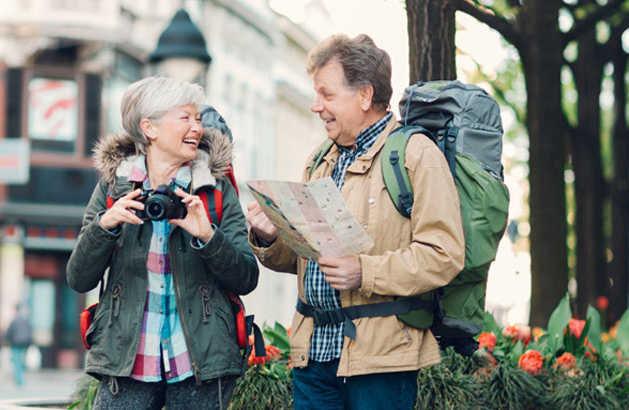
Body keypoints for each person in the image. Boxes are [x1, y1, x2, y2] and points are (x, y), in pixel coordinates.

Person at [245, 34, 465, 410]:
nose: (316, 107)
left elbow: (444, 255)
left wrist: (364, 272)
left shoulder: (415, 155)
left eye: (327, 95)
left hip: (380, 362)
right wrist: (270, 238)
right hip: (314, 356)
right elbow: (307, 257)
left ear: (364, 96)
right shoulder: (320, 159)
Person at [67, 76, 259, 410]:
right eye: (184, 117)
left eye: (197, 118)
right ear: (149, 128)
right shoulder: (114, 188)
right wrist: (106, 225)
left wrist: (207, 237)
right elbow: (78, 277)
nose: (196, 127)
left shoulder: (214, 189)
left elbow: (246, 277)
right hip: (127, 360)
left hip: (199, 362)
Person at [5, 303, 32, 387]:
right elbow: (29, 331)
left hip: (16, 343)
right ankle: (20, 378)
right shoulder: (25, 319)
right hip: (24, 343)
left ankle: (19, 379)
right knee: (20, 361)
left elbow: (9, 331)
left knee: (16, 361)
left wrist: (6, 339)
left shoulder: (15, 320)